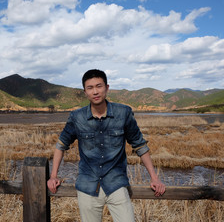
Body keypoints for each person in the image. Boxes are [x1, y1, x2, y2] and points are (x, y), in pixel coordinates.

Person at [47, 69, 165, 222]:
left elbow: (140, 145)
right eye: (90, 88)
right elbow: (61, 145)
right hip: (88, 186)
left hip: (116, 184)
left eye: (99, 86)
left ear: (107, 88)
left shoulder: (123, 113)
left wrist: (154, 178)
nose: (95, 91)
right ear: (85, 92)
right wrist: (53, 176)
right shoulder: (77, 117)